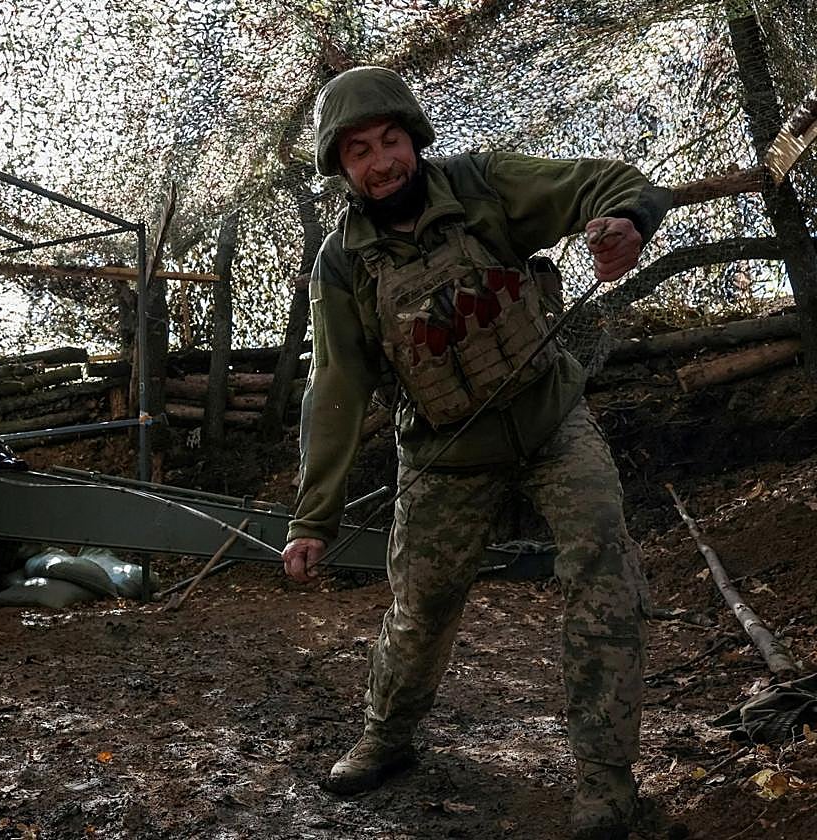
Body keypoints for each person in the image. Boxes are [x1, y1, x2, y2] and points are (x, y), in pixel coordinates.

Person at [281, 66, 673, 840]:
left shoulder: (486, 184)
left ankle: (603, 777)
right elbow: (337, 384)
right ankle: (387, 738)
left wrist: (626, 221)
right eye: (358, 151)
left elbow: (607, 182)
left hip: (551, 421)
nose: (381, 161)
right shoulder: (342, 260)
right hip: (444, 454)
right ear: (341, 168)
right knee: (420, 604)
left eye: (391, 140)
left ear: (414, 139)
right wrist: (313, 516)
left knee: (603, 571)